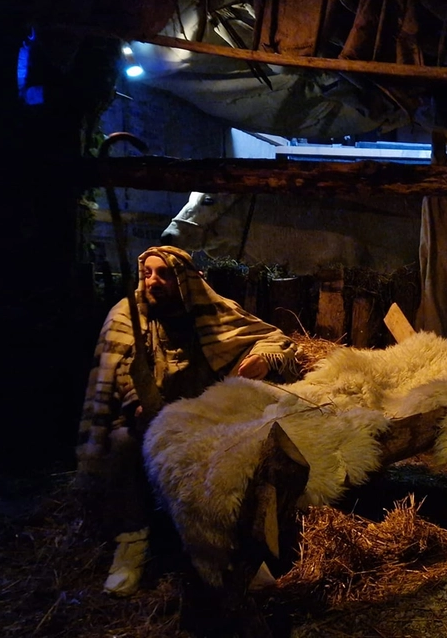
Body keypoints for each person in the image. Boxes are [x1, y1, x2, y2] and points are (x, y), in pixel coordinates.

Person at [75, 245, 299, 597]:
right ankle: (131, 544)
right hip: (148, 419)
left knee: (237, 452)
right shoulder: (128, 316)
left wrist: (263, 359)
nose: (154, 281)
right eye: (148, 273)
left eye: (163, 273)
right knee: (121, 446)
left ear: (184, 279)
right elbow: (117, 368)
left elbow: (274, 340)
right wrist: (137, 401)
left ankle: (238, 553)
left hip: (204, 416)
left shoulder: (212, 312)